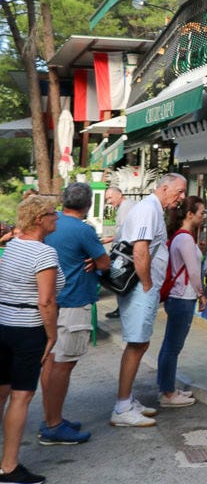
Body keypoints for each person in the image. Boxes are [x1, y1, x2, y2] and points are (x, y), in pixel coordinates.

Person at [111, 172, 186, 428]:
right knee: (136, 344)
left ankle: (127, 400)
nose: (181, 198)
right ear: (164, 189)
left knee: (139, 344)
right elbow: (140, 248)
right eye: (179, 192)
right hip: (140, 288)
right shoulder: (148, 210)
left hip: (144, 288)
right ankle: (122, 407)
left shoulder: (152, 208)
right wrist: (146, 284)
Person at [39, 183, 110, 446]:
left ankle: (50, 418)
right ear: (88, 204)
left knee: (50, 362)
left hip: (50, 302)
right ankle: (53, 425)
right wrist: (94, 260)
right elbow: (104, 262)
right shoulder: (83, 230)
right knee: (63, 365)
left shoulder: (50, 223)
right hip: (73, 300)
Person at [0, 195, 64, 484]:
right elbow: (46, 301)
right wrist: (51, 335)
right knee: (21, 396)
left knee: (1, 391)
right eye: (53, 213)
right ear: (40, 219)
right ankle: (10, 467)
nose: (57, 217)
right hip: (28, 329)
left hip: (3, 324)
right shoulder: (43, 253)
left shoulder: (12, 245)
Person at [156, 195, 207, 407]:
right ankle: (167, 393)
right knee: (172, 346)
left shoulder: (182, 237)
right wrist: (201, 294)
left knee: (171, 344)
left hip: (179, 297)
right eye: (201, 212)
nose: (204, 216)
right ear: (189, 214)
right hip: (182, 297)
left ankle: (167, 387)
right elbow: (194, 272)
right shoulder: (185, 238)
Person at [102, 186, 133, 317]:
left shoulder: (126, 207)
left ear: (119, 194)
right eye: (107, 199)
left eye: (110, 197)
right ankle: (122, 308)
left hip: (124, 251)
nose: (109, 201)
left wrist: (113, 243)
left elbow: (124, 232)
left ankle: (123, 308)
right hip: (123, 249)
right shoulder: (126, 206)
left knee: (118, 279)